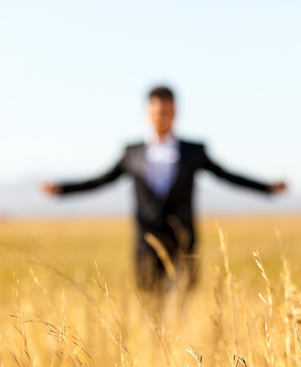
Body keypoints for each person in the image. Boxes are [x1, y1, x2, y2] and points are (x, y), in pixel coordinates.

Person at [42, 85, 287, 293]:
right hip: (146, 243)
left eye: (167, 111)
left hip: (183, 242)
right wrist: (62, 189)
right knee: (151, 309)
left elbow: (227, 176)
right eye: (157, 112)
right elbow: (100, 180)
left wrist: (267, 188)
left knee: (180, 306)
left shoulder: (193, 151)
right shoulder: (132, 153)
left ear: (175, 113)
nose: (162, 117)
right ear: (148, 113)